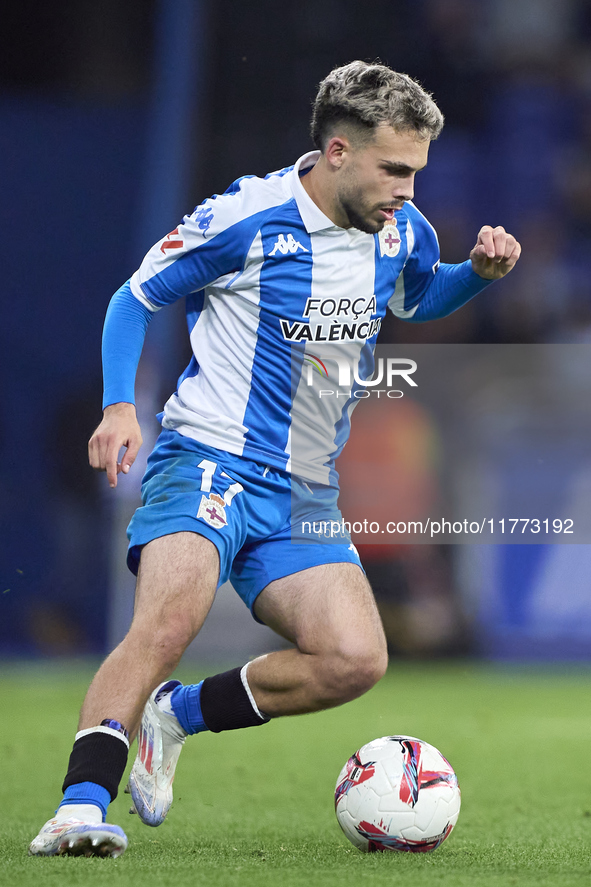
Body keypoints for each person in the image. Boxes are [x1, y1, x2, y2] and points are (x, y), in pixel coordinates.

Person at [29, 60, 520, 858]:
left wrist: (476, 277)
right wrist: (121, 403)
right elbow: (137, 295)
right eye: (394, 169)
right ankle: (80, 808)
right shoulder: (247, 217)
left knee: (354, 658)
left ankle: (176, 714)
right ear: (335, 152)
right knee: (165, 623)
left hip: (302, 490)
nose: (409, 189)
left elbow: (416, 295)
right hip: (208, 459)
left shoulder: (400, 228)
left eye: (417, 171)